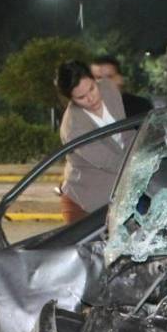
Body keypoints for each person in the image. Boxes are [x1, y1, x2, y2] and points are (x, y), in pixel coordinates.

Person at [55, 59, 132, 224]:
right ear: (71, 99)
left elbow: (125, 132)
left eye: (92, 88)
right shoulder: (73, 128)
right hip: (85, 205)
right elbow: (112, 162)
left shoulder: (109, 89)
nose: (91, 98)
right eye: (81, 97)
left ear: (94, 79)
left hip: (118, 196)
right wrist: (148, 163)